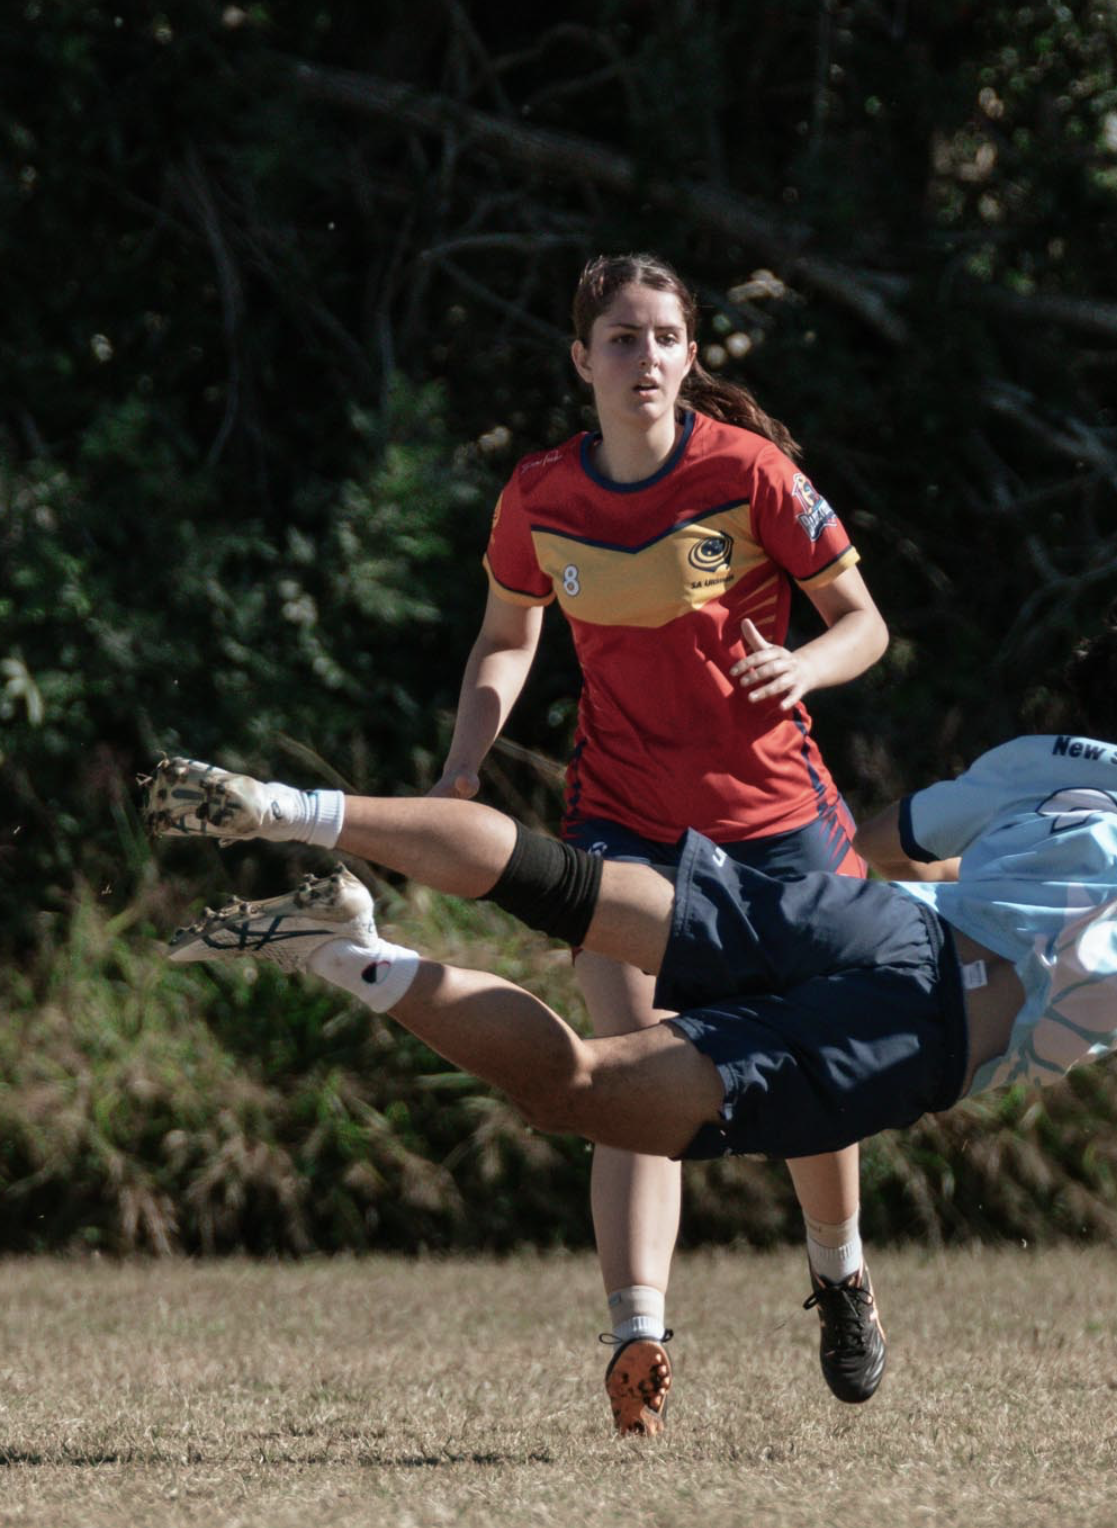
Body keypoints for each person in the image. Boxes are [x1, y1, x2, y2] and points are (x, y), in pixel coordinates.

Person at [147, 598, 1117, 1438]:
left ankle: (295, 814)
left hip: (882, 922)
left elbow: (888, 839)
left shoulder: (1047, 760)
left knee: (564, 885)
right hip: (916, 1033)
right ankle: (350, 954)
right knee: (572, 1089)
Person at [433, 252, 890, 1432]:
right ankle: (637, 1334)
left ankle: (838, 1274)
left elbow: (863, 623)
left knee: (812, 1076)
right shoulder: (539, 494)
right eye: (623, 339)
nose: (647, 359)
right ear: (580, 359)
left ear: (693, 355)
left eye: (666, 338)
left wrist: (805, 663)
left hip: (775, 823)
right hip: (622, 819)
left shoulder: (748, 473)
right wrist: (465, 759)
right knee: (626, 1065)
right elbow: (504, 633)